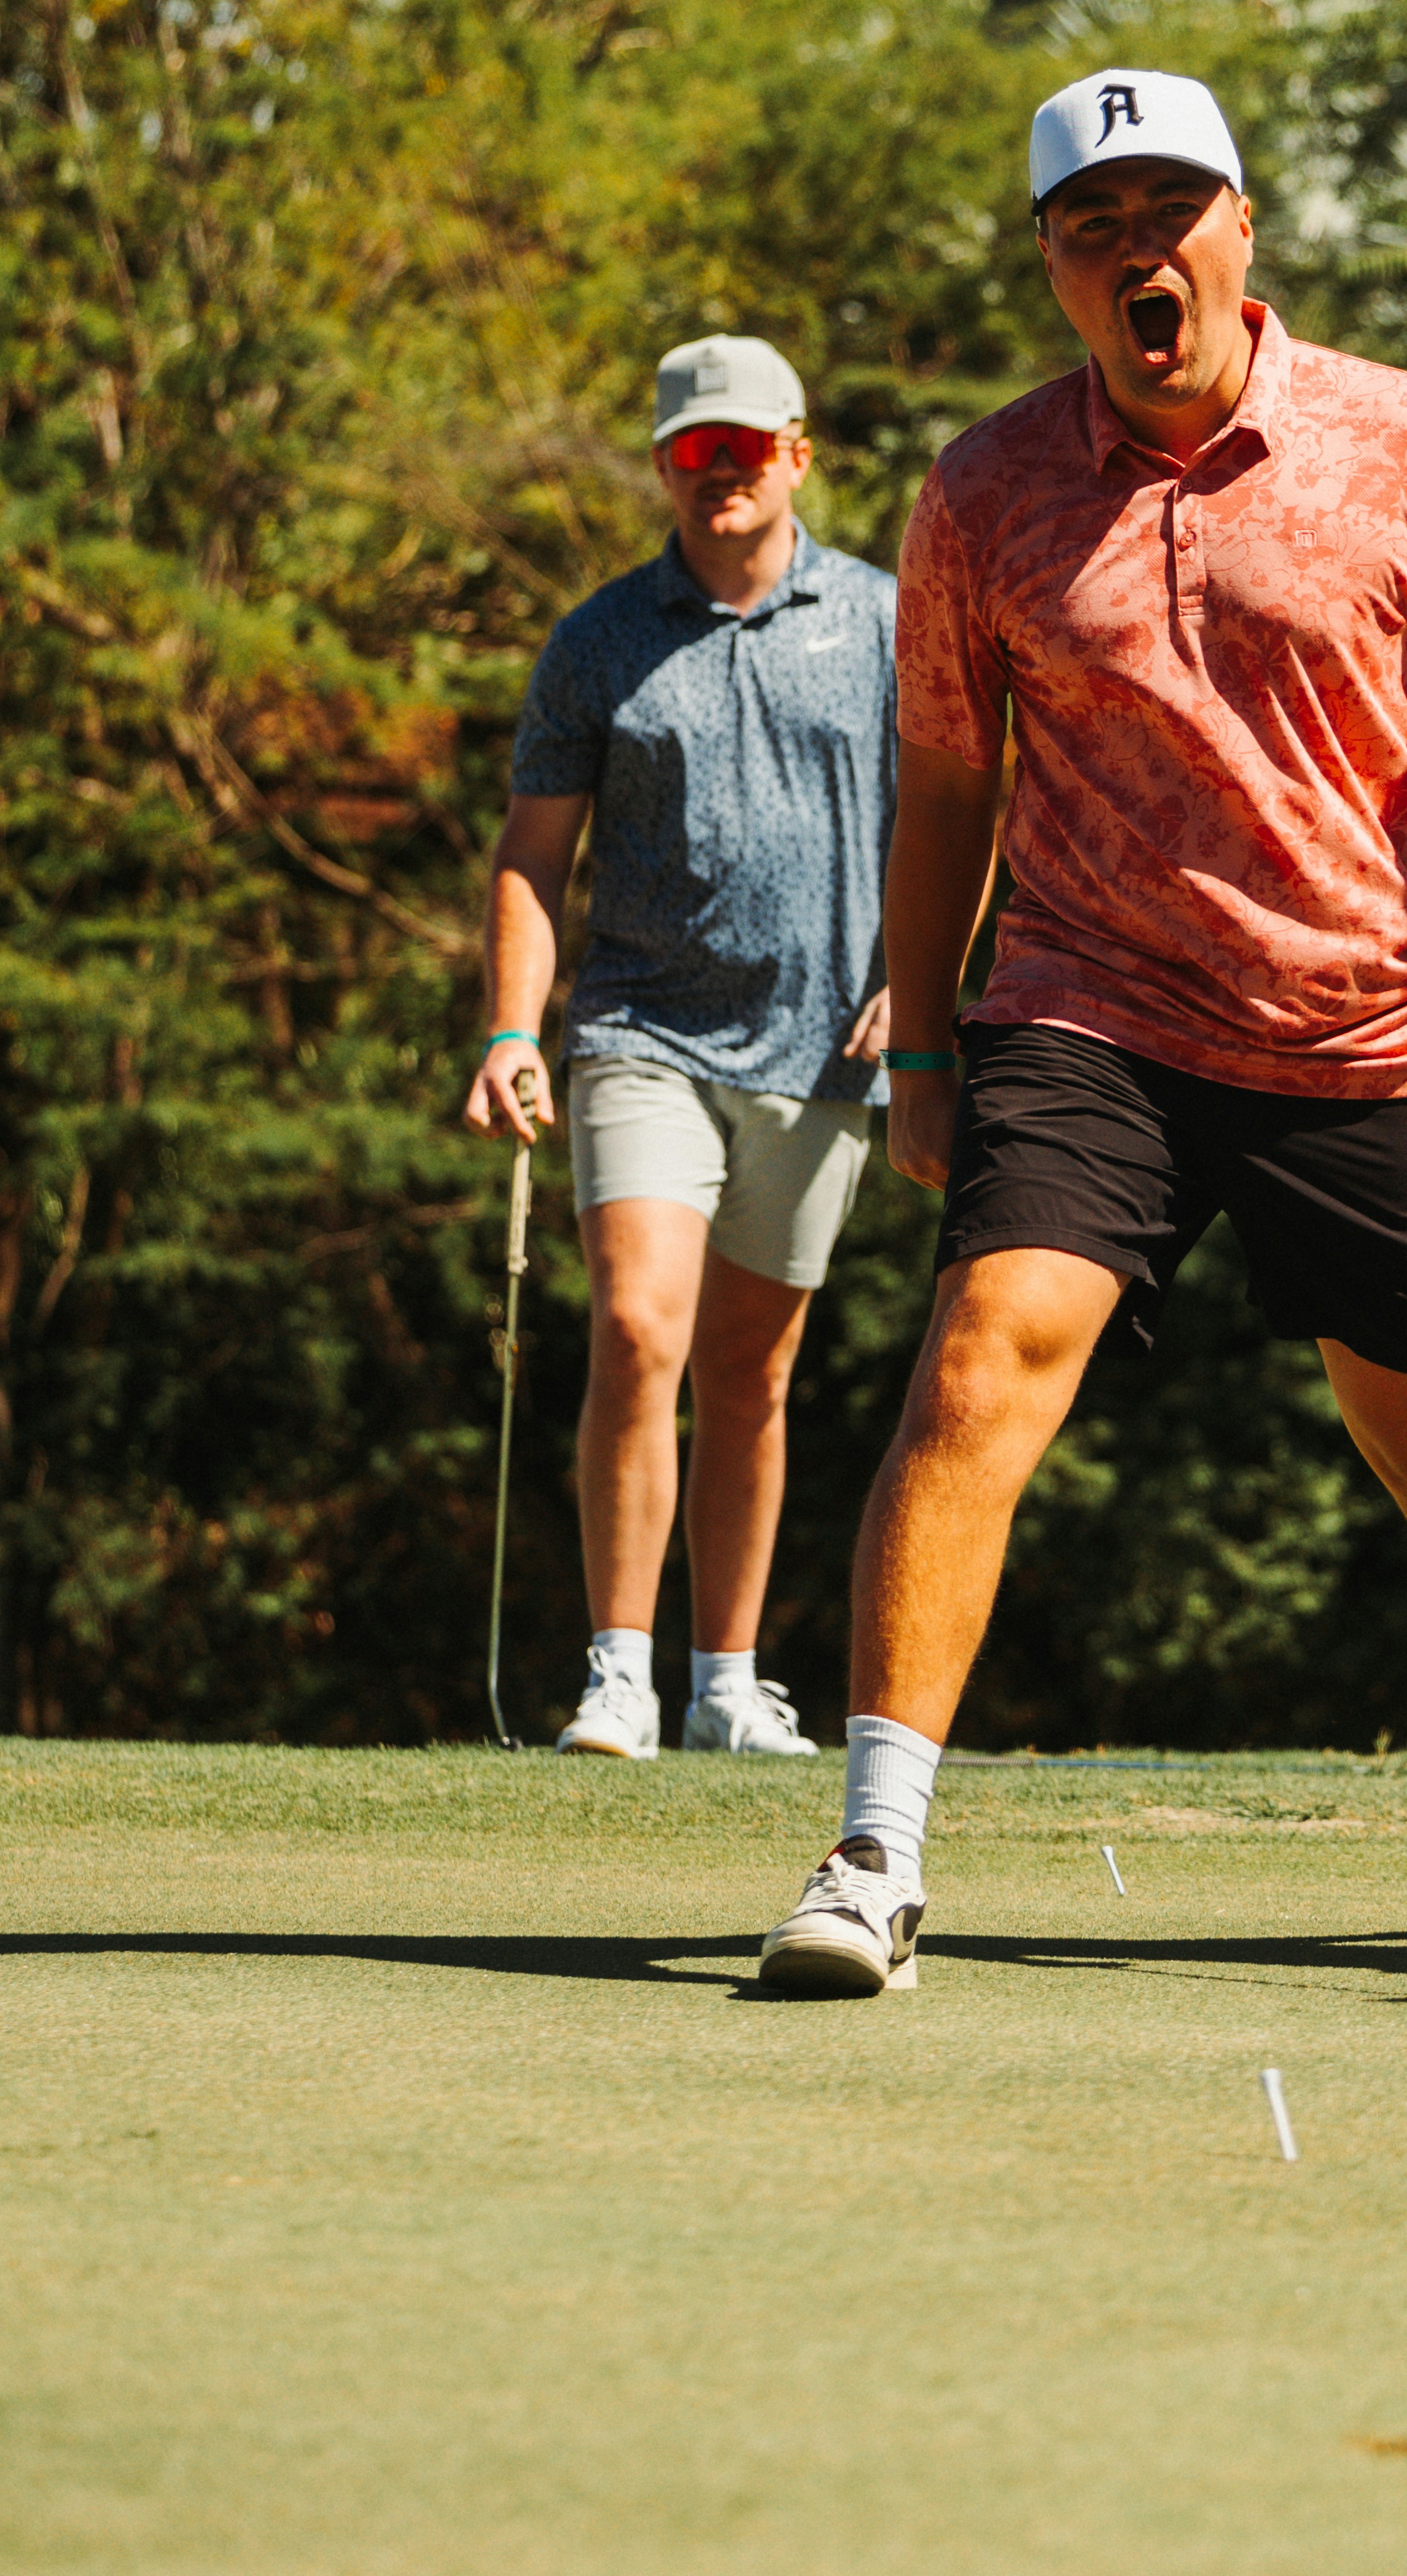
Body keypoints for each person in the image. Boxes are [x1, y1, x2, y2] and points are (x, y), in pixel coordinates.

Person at [752, 66, 1407, 1997]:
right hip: (1090, 1012)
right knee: (985, 1358)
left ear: (1246, 230)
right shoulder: (984, 488)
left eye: (1170, 214)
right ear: (1055, 269)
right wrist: (918, 1048)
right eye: (1092, 227)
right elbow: (943, 781)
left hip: (1370, 1021)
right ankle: (872, 1849)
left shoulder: (1406, 443)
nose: (1137, 254)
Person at [466, 335, 898, 1761]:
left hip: (826, 1052)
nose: (721, 471)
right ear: (662, 464)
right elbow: (535, 856)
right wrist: (512, 1028)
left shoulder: (888, 623)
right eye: (692, 451)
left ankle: (725, 1681)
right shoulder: (599, 639)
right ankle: (618, 1675)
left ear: (799, 453)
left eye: (747, 447)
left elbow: (969, 822)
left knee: (751, 1374)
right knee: (641, 1330)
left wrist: (927, 985)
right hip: (641, 1032)